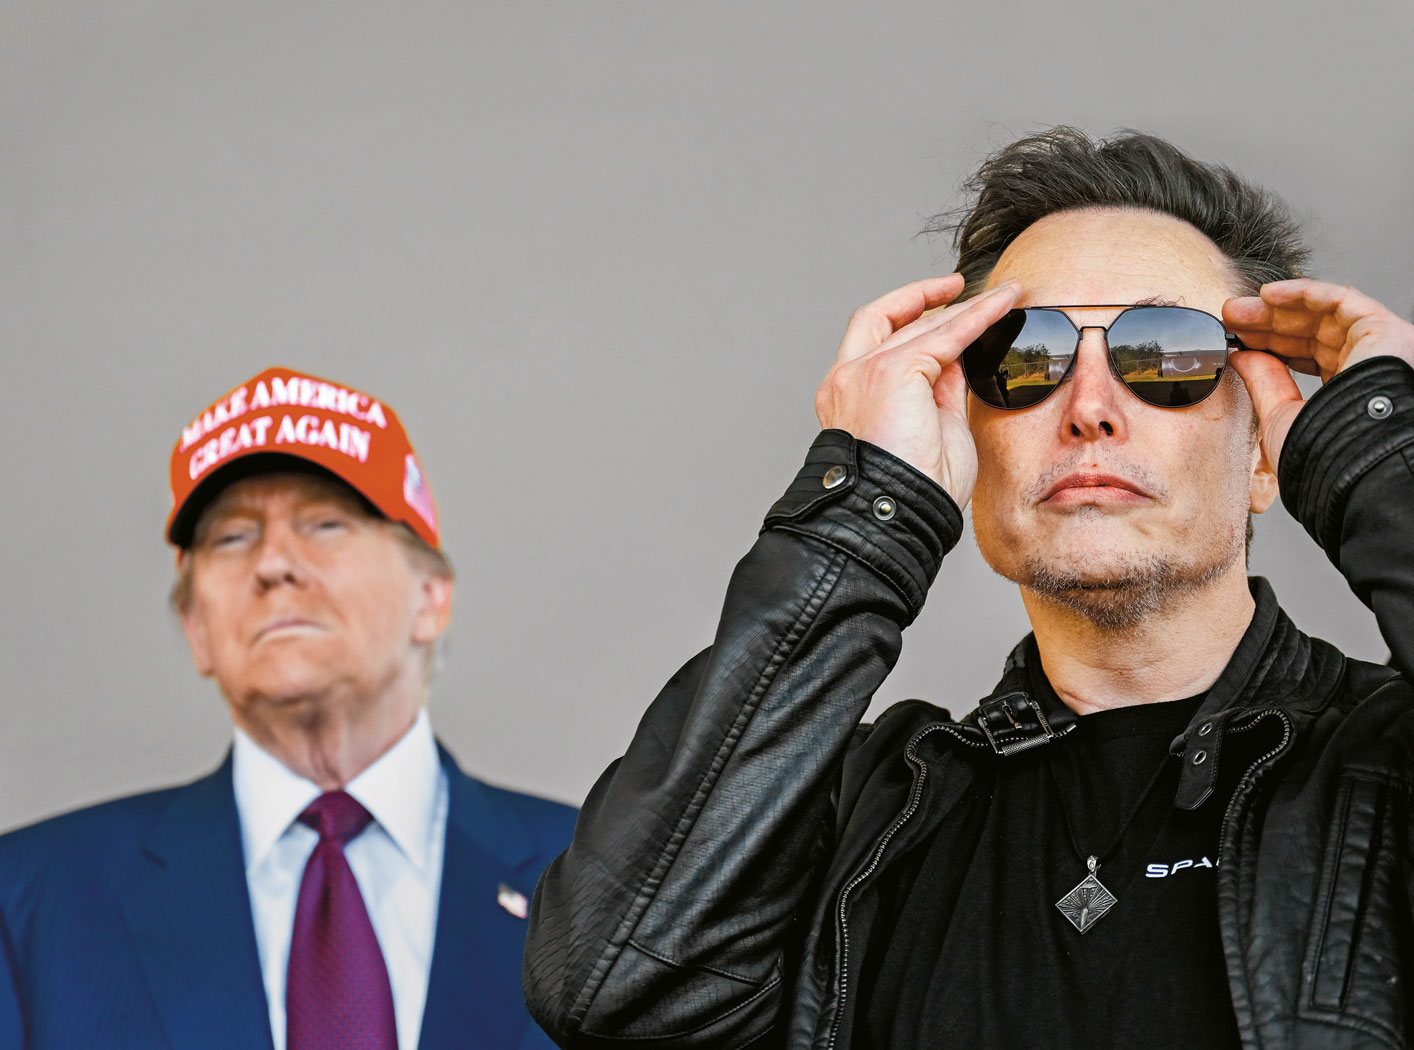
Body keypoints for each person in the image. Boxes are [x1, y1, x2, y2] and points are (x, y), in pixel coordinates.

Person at [523, 129, 1414, 1049]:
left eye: (1169, 353)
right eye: (1023, 356)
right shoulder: (861, 813)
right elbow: (612, 986)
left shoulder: (1385, 764)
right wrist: (870, 502)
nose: (1089, 407)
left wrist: (1386, 455)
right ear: (965, 446)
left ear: (1265, 454)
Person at [0, 366, 577, 1050]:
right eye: (232, 537)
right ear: (194, 627)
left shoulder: (598, 881)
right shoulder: (31, 900)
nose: (274, 563)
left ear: (431, 597)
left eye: (326, 523)